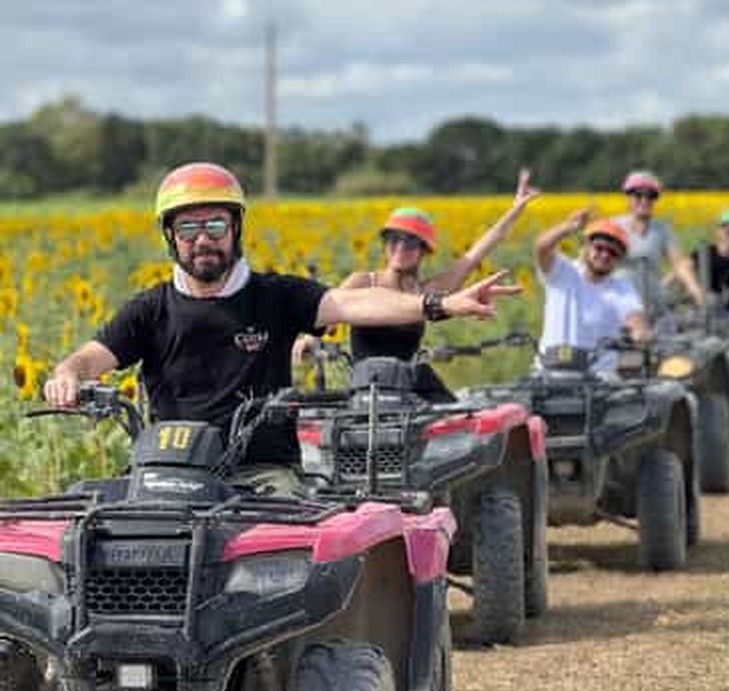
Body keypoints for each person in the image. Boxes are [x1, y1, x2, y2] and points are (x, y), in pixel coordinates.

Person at [43, 163, 520, 487]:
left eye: (215, 226)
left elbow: (356, 305)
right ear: (170, 236)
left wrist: (439, 304)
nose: (202, 240)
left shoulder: (277, 296)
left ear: (236, 229)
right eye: (188, 228)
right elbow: (91, 357)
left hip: (263, 471)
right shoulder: (150, 309)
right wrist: (67, 374)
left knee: (297, 560)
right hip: (168, 472)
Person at [335, 170, 540, 399]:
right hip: (367, 385)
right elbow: (324, 308)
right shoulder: (361, 281)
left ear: (424, 250)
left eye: (411, 241)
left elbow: (475, 255)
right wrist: (308, 339)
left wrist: (516, 208)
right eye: (393, 238)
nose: (400, 247)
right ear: (385, 243)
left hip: (413, 384)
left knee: (460, 422)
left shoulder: (427, 292)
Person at [535, 209, 649, 372]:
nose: (604, 255)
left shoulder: (621, 287)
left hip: (598, 380)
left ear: (619, 260)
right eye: (599, 247)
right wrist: (568, 227)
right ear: (587, 246)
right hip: (548, 372)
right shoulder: (562, 271)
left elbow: (634, 316)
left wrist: (639, 332)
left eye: (613, 252)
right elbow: (542, 247)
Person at [613, 170, 704, 321]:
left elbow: (679, 263)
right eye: (638, 195)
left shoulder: (662, 229)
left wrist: (695, 290)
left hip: (654, 303)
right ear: (628, 197)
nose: (645, 200)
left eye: (651, 196)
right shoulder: (614, 226)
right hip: (621, 304)